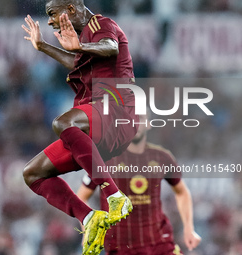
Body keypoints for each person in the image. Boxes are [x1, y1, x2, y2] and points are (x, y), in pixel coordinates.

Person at [21, 0, 138, 254]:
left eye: (53, 14)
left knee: (63, 122)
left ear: (71, 10)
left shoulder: (101, 24)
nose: (50, 21)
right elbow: (77, 62)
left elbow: (110, 47)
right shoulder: (84, 41)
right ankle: (88, 218)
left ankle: (115, 196)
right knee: (33, 173)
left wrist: (81, 46)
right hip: (97, 123)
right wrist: (43, 47)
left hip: (117, 110)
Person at [77, 114, 202, 254]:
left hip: (160, 244)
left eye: (140, 119)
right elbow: (81, 197)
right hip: (121, 247)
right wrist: (88, 229)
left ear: (148, 124)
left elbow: (182, 192)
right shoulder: (105, 159)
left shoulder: (162, 157)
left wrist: (189, 228)